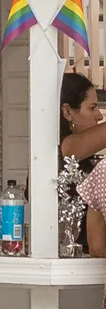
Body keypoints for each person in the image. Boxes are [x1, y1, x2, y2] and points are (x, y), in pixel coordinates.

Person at [58, 71, 106, 257]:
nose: (99, 116)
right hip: (74, 257)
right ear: (67, 112)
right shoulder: (64, 147)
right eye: (92, 108)